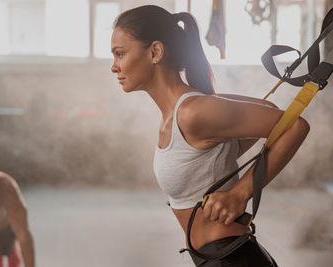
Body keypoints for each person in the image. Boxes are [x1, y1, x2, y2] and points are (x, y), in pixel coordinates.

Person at [111, 5, 309, 266]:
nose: (115, 67)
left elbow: (295, 125)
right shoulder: (187, 112)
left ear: (155, 52)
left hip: (232, 259)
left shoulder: (193, 113)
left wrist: (240, 193)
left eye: (120, 54)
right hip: (215, 257)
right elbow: (269, 113)